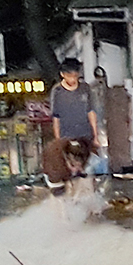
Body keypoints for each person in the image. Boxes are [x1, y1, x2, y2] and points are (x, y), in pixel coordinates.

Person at [41, 57, 99, 194]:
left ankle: (89, 201)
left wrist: (95, 135)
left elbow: (91, 112)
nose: (72, 79)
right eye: (69, 76)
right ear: (62, 75)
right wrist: (58, 139)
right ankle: (68, 201)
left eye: (75, 75)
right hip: (66, 136)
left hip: (85, 135)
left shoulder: (85, 88)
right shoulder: (57, 91)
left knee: (87, 171)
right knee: (68, 170)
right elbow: (56, 117)